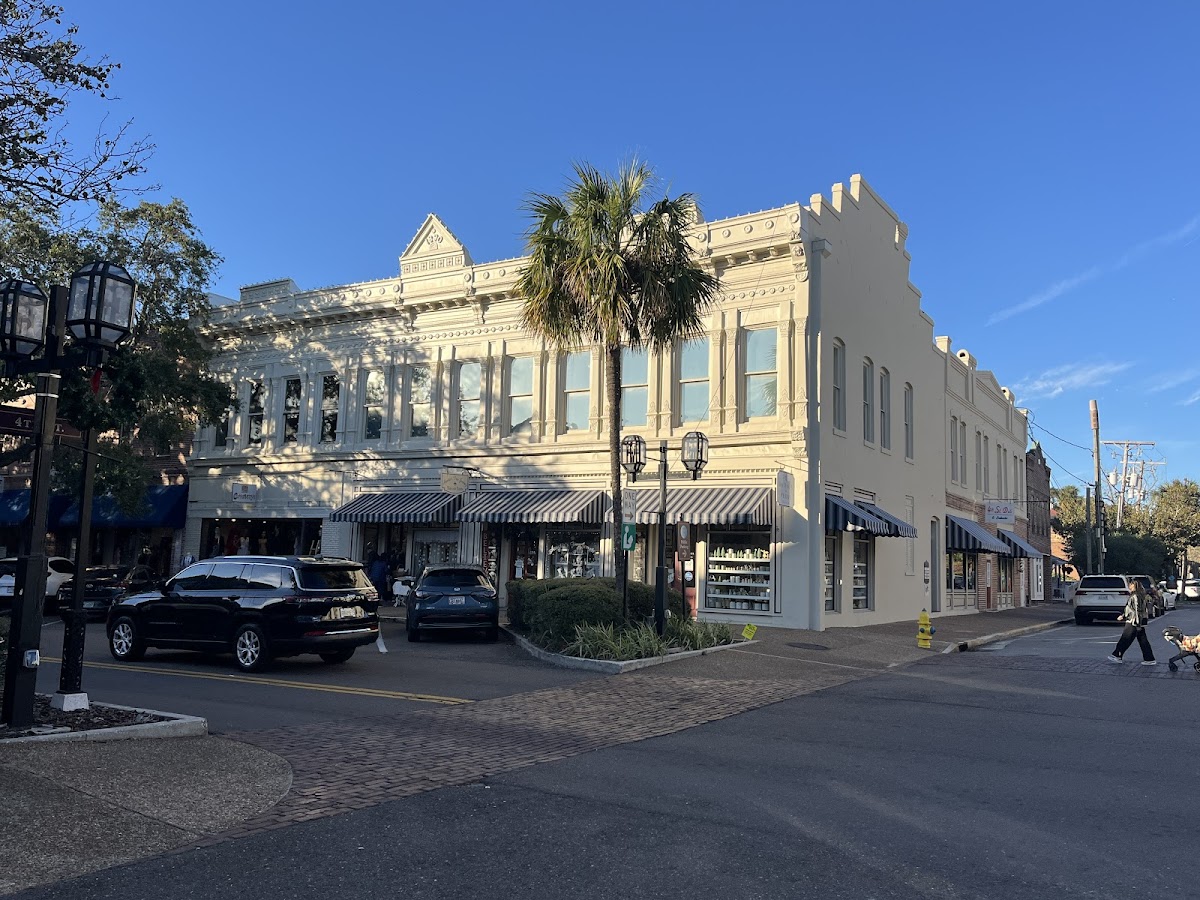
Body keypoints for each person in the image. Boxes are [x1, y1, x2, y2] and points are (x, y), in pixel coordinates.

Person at [1108, 580, 1156, 665]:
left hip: (1133, 620)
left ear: (1135, 586)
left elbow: (1136, 610)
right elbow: (1131, 608)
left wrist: (1137, 622)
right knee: (1142, 640)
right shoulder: (1139, 595)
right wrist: (1123, 616)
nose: (1129, 586)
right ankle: (1149, 658)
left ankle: (1117, 655)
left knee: (1125, 638)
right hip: (1136, 620)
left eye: (1131, 585)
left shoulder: (1135, 596)